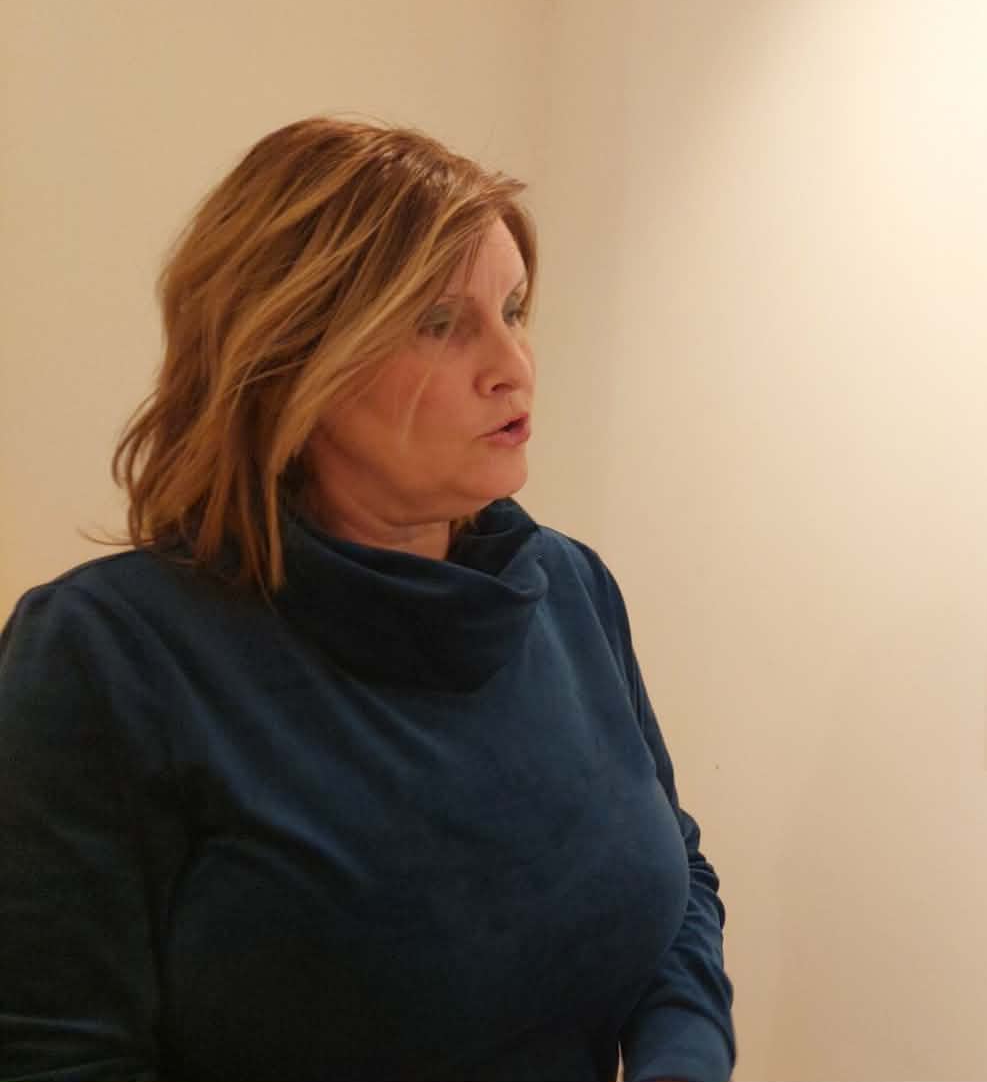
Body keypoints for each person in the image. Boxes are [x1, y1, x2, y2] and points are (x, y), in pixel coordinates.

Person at [0, 118, 734, 1081]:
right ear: (292, 357)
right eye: (440, 322)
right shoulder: (104, 654)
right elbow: (55, 1054)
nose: (513, 364)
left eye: (514, 308)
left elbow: (677, 878)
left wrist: (683, 1058)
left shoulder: (571, 589)